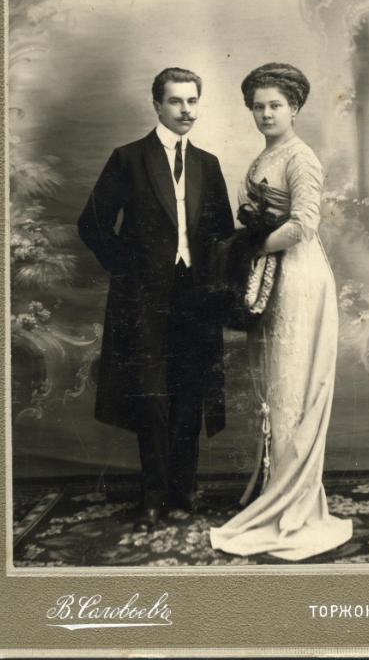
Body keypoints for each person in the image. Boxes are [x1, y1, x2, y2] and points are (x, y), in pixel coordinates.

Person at [78, 68, 234, 531]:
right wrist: (129, 272)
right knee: (150, 395)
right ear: (157, 105)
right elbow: (92, 224)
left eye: (192, 101)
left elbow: (223, 234)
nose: (186, 110)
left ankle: (184, 492)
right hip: (144, 298)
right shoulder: (128, 158)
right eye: (176, 101)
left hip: (194, 297)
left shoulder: (207, 164)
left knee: (189, 391)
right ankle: (153, 495)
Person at [210, 63, 353, 561]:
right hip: (271, 275)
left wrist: (247, 249)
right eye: (258, 106)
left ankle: (292, 505)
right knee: (274, 388)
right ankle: (277, 491)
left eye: (275, 105)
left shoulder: (301, 157)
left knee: (291, 387)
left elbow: (304, 225)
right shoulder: (265, 155)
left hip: (298, 279)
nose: (266, 113)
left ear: (294, 107)